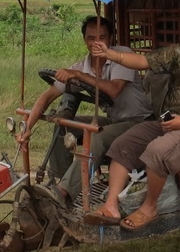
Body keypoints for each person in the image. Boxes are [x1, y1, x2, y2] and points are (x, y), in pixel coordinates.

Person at [84, 9, 180, 231]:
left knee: (157, 150)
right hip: (168, 122)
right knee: (123, 144)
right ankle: (111, 206)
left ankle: (149, 208)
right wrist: (110, 54)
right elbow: (143, 60)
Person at [17, 15, 152, 204]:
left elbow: (114, 90)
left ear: (110, 39)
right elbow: (47, 96)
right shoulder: (82, 66)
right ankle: (57, 181)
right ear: (84, 40)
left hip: (140, 122)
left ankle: (64, 193)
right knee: (65, 125)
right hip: (115, 121)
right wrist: (27, 127)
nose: (97, 43)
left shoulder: (122, 55)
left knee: (96, 137)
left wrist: (79, 76)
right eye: (91, 38)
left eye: (102, 37)